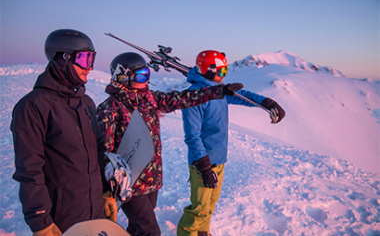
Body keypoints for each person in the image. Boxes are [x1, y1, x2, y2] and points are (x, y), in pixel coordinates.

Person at [96, 52, 243, 236]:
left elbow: (184, 98)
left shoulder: (149, 99)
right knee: (150, 231)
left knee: (137, 227)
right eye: (141, 76)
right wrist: (105, 190)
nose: (146, 80)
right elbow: (103, 152)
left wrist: (218, 91)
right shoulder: (109, 109)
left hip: (151, 178)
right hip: (129, 184)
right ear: (122, 77)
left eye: (147, 74)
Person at [11, 29, 110, 236]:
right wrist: (40, 222)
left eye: (92, 58)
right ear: (62, 58)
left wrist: (106, 192)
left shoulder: (87, 103)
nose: (90, 67)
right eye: (83, 58)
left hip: (95, 212)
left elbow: (99, 152)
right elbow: (29, 169)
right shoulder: (34, 106)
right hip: (61, 219)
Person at [177, 50, 286, 236]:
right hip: (203, 163)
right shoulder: (194, 98)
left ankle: (203, 233)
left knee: (209, 206)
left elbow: (242, 95)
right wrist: (204, 168)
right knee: (198, 210)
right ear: (208, 70)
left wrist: (267, 102)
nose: (223, 76)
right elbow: (192, 137)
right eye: (221, 71)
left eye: (225, 71)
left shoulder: (220, 92)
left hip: (219, 160)